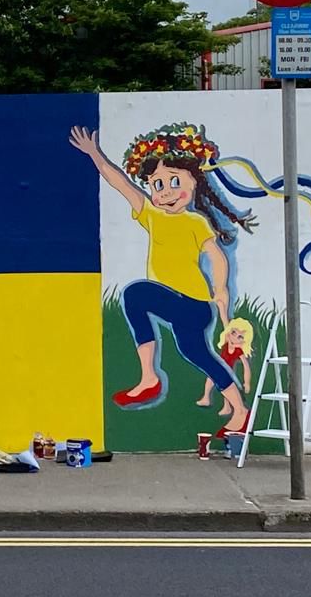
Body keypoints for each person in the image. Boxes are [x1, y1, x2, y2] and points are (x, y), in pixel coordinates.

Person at [69, 124, 253, 436]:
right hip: (180, 308)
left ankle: (149, 379)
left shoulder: (195, 221)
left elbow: (217, 256)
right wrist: (94, 154)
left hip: (193, 305)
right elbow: (120, 184)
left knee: (136, 294)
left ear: (193, 182)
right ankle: (240, 410)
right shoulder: (151, 215)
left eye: (173, 181)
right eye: (157, 185)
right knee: (197, 355)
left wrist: (221, 289)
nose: (165, 191)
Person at [196, 318, 254, 416]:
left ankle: (227, 407)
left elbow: (246, 366)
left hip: (228, 371)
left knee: (227, 388)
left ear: (244, 341)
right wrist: (222, 308)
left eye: (240, 337)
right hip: (219, 367)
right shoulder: (226, 343)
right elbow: (225, 322)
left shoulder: (238, 351)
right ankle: (206, 398)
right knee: (210, 379)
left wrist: (247, 382)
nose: (234, 338)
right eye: (233, 333)